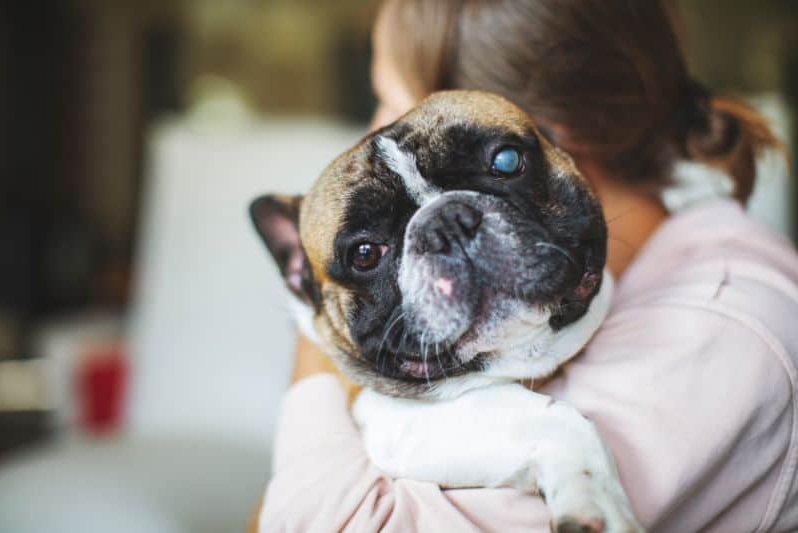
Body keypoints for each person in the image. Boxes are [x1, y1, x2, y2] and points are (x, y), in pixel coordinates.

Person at [259, 1, 798, 531]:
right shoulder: (668, 270)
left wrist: (314, 352)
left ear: (553, 124)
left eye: (389, 103)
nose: (374, 131)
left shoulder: (711, 333)